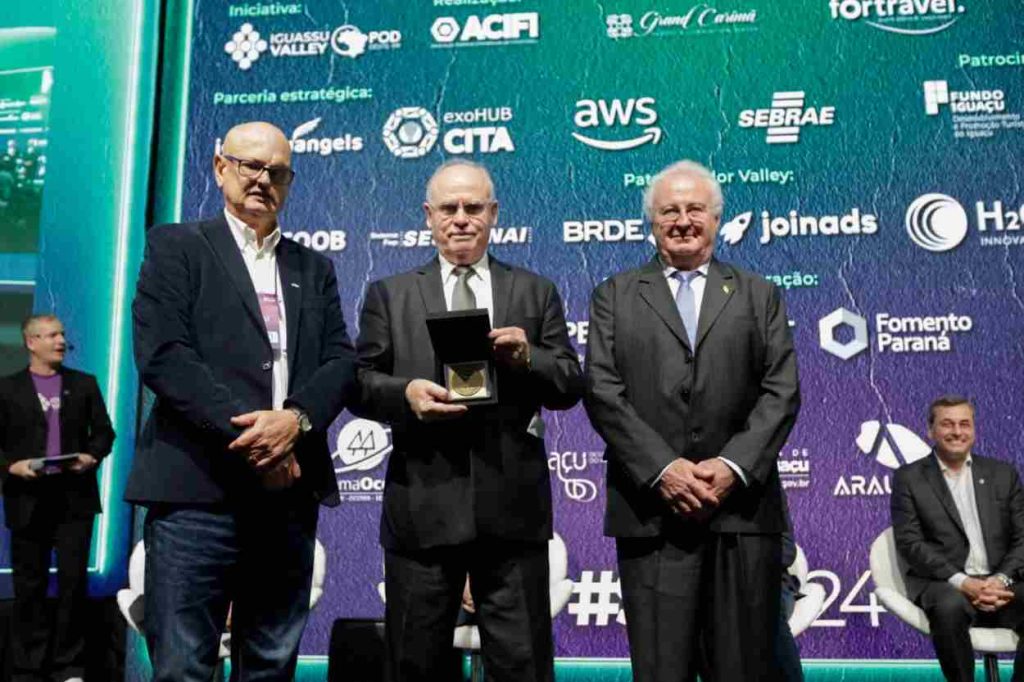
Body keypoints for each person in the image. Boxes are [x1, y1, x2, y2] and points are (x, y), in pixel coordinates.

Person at [127, 121, 357, 681]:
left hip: (287, 501)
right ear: (219, 167)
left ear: (289, 182)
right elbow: (164, 355)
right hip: (196, 494)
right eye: (251, 166)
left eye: (277, 172)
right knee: (183, 668)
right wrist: (259, 442)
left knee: (271, 667)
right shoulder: (176, 246)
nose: (262, 180)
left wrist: (296, 421)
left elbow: (340, 362)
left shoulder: (313, 268)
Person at [354, 159, 583, 682]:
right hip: (422, 511)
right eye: (449, 208)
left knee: (524, 668)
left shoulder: (534, 291)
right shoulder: (390, 294)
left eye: (473, 207)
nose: (460, 218)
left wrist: (529, 358)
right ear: (428, 215)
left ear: (494, 213)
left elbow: (570, 384)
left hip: (513, 514)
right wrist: (405, 394)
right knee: (413, 667)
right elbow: (360, 382)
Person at [583, 159, 800, 682]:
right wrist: (663, 470)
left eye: (695, 209)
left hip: (741, 513)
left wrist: (731, 467)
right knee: (662, 669)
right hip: (651, 515)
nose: (683, 220)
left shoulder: (759, 293)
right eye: (669, 211)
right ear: (651, 221)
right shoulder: (613, 295)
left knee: (744, 670)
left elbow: (781, 392)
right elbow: (603, 391)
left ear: (717, 219)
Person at [0, 314, 115, 682]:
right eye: (51, 335)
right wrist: (12, 466)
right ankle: (27, 668)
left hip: (74, 500)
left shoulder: (84, 384)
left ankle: (70, 667)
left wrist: (91, 456)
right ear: (31, 342)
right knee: (28, 586)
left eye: (62, 334)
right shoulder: (7, 389)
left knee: (72, 585)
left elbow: (104, 433)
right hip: (27, 499)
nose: (61, 341)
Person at [892, 395, 1024, 682]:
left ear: (974, 430)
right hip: (947, 584)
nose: (957, 432)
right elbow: (911, 543)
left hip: (1002, 582)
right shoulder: (909, 478)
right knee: (948, 607)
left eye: (964, 424)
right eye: (947, 424)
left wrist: (999, 579)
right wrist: (964, 582)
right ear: (930, 431)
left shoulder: (1003, 474)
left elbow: (1022, 538)